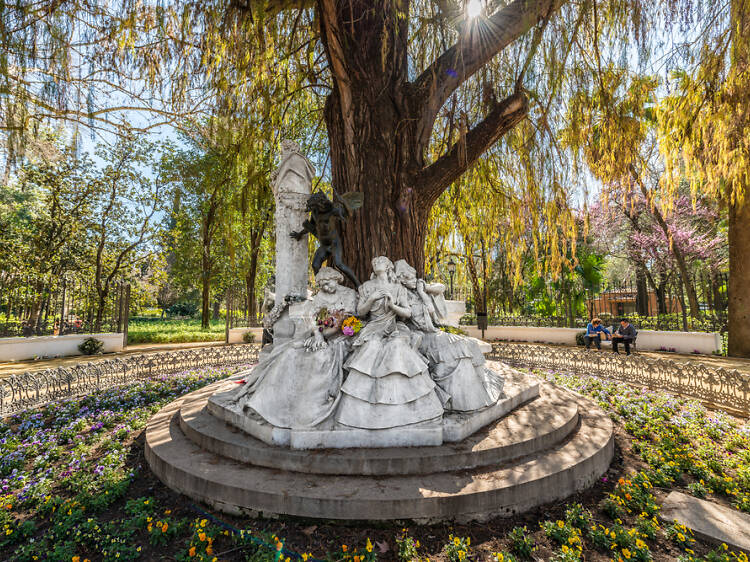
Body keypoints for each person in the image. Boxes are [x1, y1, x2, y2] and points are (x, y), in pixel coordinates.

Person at [230, 267, 357, 429]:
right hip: (319, 335)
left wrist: (324, 336)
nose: (325, 287)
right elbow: (313, 318)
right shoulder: (319, 297)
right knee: (291, 352)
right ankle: (266, 404)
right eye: (322, 284)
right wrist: (317, 335)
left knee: (320, 357)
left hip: (341, 338)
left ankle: (307, 409)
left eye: (328, 282)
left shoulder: (348, 295)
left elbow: (347, 321)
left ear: (336, 279)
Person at [335, 256, 444, 430]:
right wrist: (372, 299)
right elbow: (360, 312)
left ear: (388, 267)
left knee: (397, 347)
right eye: (375, 261)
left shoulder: (398, 288)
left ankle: (404, 407)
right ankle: (363, 410)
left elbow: (407, 313)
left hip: (394, 327)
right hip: (373, 327)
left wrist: (393, 305)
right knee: (371, 347)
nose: (377, 262)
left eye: (381, 261)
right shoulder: (366, 287)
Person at [394, 259, 503, 412]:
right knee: (460, 345)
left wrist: (423, 290)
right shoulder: (402, 295)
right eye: (408, 278)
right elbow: (406, 318)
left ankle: (483, 387)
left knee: (469, 343)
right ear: (401, 280)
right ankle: (463, 401)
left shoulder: (420, 291)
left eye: (413, 277)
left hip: (433, 332)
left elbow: (437, 298)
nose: (413, 280)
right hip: (421, 336)